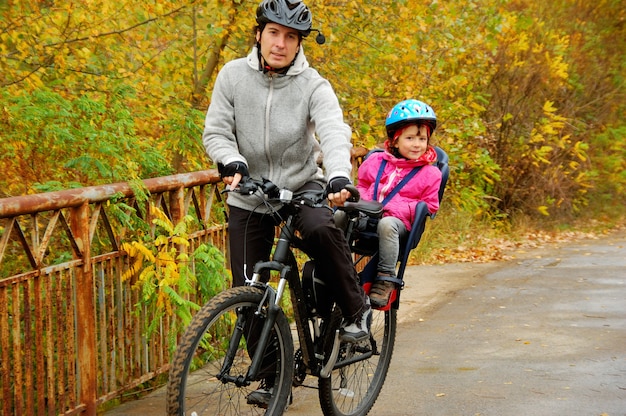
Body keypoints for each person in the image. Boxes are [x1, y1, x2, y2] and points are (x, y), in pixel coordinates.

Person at [202, 0, 370, 405]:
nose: (280, 43)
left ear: (299, 43)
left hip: (302, 188)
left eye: (290, 36)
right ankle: (272, 377)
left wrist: (338, 175)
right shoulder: (232, 76)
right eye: (274, 33)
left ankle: (354, 311)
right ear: (259, 33)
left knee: (320, 228)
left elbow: (332, 129)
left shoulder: (313, 84)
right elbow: (216, 132)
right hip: (251, 192)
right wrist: (231, 160)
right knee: (248, 290)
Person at [353, 99, 443, 308]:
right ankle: (332, 264)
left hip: (398, 225)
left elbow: (430, 206)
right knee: (340, 216)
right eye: (410, 138)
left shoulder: (430, 173)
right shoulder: (376, 161)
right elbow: (363, 185)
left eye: (422, 138)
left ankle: (385, 277)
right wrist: (362, 202)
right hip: (368, 215)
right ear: (395, 140)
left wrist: (394, 209)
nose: (417, 144)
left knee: (387, 223)